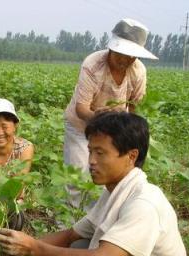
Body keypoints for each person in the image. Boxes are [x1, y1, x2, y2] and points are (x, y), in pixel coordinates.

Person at [0, 112, 189, 256]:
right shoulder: (116, 192)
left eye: (100, 153)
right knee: (81, 244)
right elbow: (71, 236)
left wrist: (33, 248)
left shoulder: (144, 203)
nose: (91, 161)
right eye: (90, 151)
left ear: (131, 156)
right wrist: (16, 246)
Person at [63, 18, 157, 207]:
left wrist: (127, 133)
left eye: (132, 55)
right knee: (78, 174)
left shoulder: (138, 71)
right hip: (81, 126)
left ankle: (99, 219)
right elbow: (81, 108)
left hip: (113, 131)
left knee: (107, 173)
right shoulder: (93, 64)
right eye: (122, 53)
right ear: (112, 48)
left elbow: (133, 107)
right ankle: (69, 224)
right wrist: (99, 117)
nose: (126, 60)